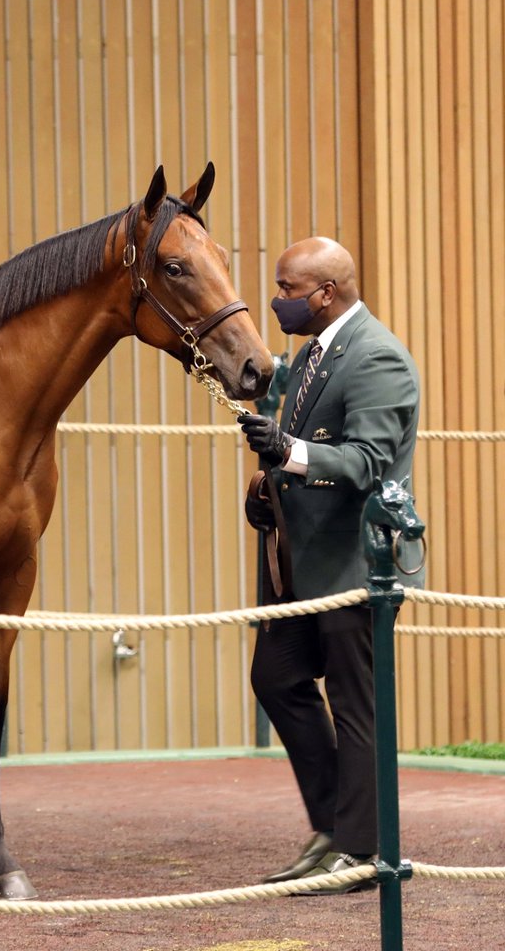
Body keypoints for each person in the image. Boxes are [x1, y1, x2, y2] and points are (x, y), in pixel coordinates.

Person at [237, 237, 423, 895]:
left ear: (326, 294)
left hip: (356, 565)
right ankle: (334, 830)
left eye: (287, 288)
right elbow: (303, 459)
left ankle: (363, 849)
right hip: (302, 566)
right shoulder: (312, 354)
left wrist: (286, 453)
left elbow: (367, 464)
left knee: (356, 708)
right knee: (276, 677)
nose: (277, 300)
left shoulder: (378, 359)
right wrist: (266, 490)